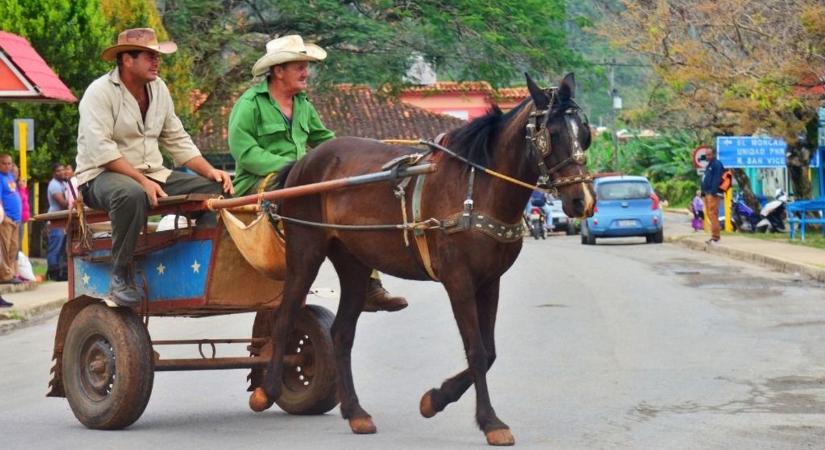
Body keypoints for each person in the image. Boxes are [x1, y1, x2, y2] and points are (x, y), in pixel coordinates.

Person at [228, 35, 407, 312]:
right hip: (259, 183)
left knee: (350, 203)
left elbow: (326, 141)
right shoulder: (250, 104)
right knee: (301, 204)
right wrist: (294, 170)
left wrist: (349, 160)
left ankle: (369, 285)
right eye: (299, 66)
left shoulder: (303, 104)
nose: (306, 72)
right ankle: (300, 275)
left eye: (306, 65)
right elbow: (246, 153)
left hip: (302, 181)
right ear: (278, 71)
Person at [76, 28, 233, 307]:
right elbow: (102, 151)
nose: (156, 61)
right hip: (101, 176)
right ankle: (120, 273)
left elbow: (176, 139)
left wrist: (210, 171)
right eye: (149, 56)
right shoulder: (98, 93)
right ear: (126, 59)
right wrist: (140, 180)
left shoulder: (159, 89)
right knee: (131, 194)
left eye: (157, 56)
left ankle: (195, 258)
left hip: (153, 174)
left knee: (218, 189)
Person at [0, 154, 21, 284]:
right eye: (4, 163)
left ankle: (10, 273)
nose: (7, 166)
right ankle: (5, 276)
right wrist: (4, 217)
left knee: (13, 247)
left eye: (10, 163)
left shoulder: (10, 177)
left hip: (15, 219)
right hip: (6, 219)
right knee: (5, 248)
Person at [45, 163, 69, 281]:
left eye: (63, 170)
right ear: (54, 173)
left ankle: (61, 272)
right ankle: (53, 272)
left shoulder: (64, 183)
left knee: (62, 248)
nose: (62, 172)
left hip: (63, 220)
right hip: (55, 220)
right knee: (55, 247)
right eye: (59, 171)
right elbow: (63, 203)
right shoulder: (54, 185)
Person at [701, 148, 724, 243]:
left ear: (713, 154)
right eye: (706, 155)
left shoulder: (717, 164)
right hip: (707, 192)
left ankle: (715, 236)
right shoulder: (709, 165)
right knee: (710, 214)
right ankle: (714, 234)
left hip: (712, 193)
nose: (707, 157)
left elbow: (716, 179)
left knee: (713, 213)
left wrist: (713, 192)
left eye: (709, 155)